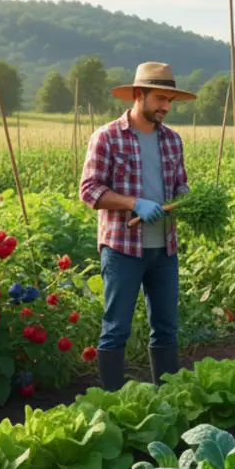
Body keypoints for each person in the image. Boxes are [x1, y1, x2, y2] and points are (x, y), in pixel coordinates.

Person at [79, 63, 194, 390]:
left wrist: (188, 200)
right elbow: (89, 190)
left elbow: (180, 184)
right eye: (160, 98)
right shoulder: (107, 137)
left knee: (167, 328)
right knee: (116, 329)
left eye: (170, 100)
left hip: (164, 248)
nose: (166, 107)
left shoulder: (172, 140)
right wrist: (134, 203)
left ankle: (169, 399)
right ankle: (112, 403)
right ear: (139, 95)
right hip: (122, 249)